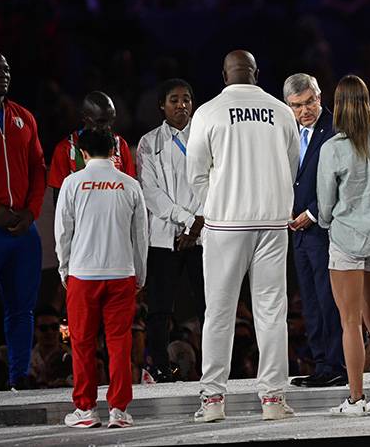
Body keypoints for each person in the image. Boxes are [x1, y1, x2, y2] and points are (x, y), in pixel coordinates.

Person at [186, 50, 299, 423]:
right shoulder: (281, 111)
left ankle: (214, 401)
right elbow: (292, 164)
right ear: (256, 73)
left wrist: (215, 204)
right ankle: (272, 400)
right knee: (271, 311)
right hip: (272, 221)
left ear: (224, 75)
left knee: (218, 311)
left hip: (225, 225)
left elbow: (196, 172)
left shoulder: (208, 112)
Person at [317, 74, 370, 416]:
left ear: (338, 106)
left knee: (350, 321)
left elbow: (324, 204)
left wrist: (328, 222)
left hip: (347, 240)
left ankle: (355, 399)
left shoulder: (334, 148)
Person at [54, 129, 148, 428]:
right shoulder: (130, 185)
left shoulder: (72, 183)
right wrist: (140, 273)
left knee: (82, 343)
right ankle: (119, 411)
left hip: (83, 274)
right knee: (119, 343)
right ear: (115, 152)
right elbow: (141, 236)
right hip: (122, 274)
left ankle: (85, 409)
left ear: (83, 154)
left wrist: (63, 268)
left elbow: (62, 233)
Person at [0, 50, 46, 391]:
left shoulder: (24, 117)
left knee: (22, 309)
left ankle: (18, 376)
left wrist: (31, 211)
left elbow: (39, 168)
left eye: (6, 68)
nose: (2, 73)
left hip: (22, 230)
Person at [136, 78, 205, 383]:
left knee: (211, 306)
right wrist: (186, 219)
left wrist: (196, 223)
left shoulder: (206, 137)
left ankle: (214, 366)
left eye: (187, 99)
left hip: (203, 236)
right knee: (160, 308)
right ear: (161, 106)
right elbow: (149, 192)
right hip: (164, 238)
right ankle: (159, 367)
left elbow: (213, 184)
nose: (182, 105)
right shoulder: (148, 143)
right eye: (174, 100)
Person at [283, 73, 345, 388]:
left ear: (320, 97)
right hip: (296, 231)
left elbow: (343, 182)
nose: (305, 110)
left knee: (328, 298)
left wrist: (312, 212)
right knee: (309, 299)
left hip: (324, 228)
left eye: (310, 102)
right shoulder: (286, 133)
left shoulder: (336, 130)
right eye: (297, 106)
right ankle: (322, 364)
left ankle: (337, 364)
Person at [48, 90, 136, 205]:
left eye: (111, 120)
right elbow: (59, 200)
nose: (108, 127)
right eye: (101, 121)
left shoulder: (120, 145)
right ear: (85, 117)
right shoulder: (65, 149)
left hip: (114, 219)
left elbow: (130, 189)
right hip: (83, 220)